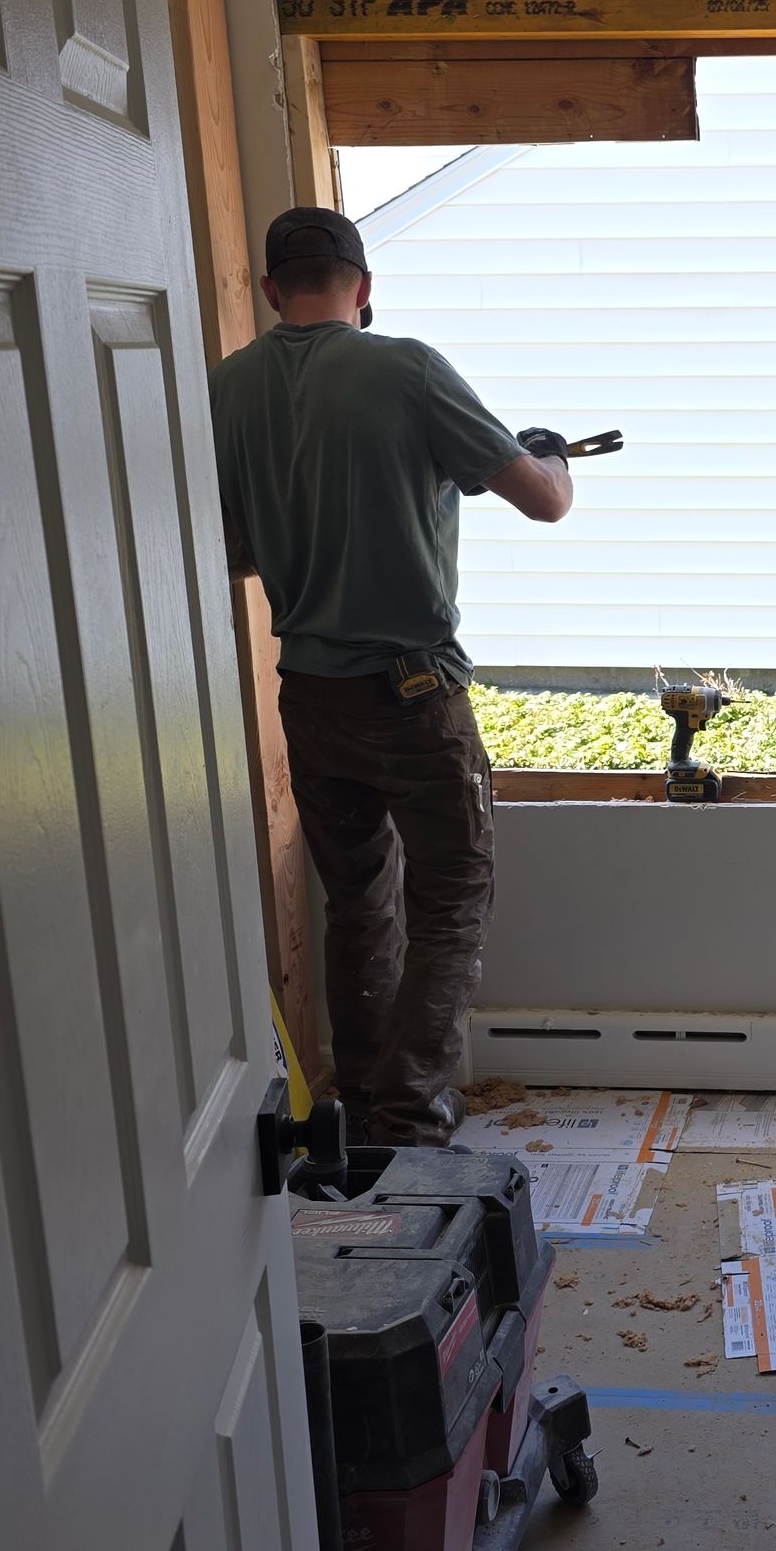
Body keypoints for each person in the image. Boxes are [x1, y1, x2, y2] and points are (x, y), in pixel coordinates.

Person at [210, 207, 574, 1147]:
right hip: (411, 696)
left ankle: (361, 1113)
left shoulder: (228, 390)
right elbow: (543, 504)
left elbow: (231, 550)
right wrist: (553, 457)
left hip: (310, 694)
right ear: (363, 289)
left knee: (357, 903)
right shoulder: (404, 366)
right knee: (452, 896)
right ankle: (411, 1120)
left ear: (268, 290)